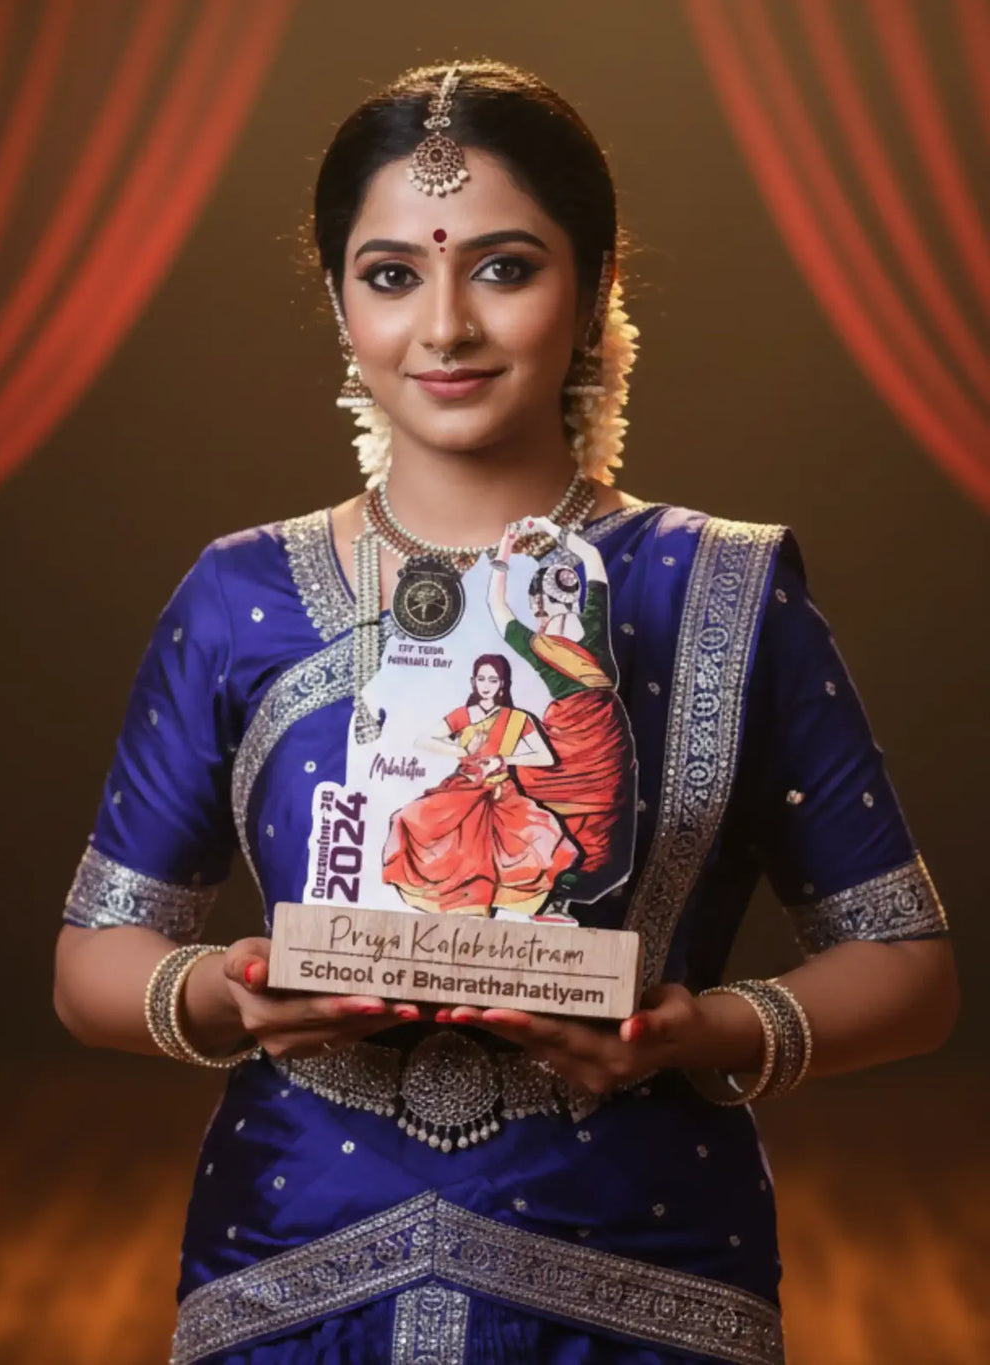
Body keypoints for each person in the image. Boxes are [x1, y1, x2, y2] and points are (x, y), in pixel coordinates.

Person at [52, 60, 958, 1365]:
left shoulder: (724, 590)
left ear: (594, 295)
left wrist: (699, 1032)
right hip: (294, 1280)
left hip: (642, 1286)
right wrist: (223, 991)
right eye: (391, 274)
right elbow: (96, 954)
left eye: (504, 267)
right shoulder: (241, 593)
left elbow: (911, 973)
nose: (444, 329)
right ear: (338, 301)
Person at [487, 518, 637, 909]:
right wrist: (550, 528)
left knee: (535, 790)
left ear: (540, 603)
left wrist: (507, 546)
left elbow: (495, 605)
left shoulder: (536, 643)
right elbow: (592, 556)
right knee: (604, 806)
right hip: (607, 732)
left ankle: (551, 880)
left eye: (536, 605)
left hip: (569, 734)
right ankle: (573, 881)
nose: (536, 612)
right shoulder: (593, 625)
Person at [381, 654, 578, 916]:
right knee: (406, 818)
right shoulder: (465, 715)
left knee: (537, 836)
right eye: (482, 679)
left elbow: (545, 756)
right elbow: (423, 740)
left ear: (503, 684)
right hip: (462, 788)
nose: (486, 685)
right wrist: (462, 748)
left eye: (493, 679)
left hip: (499, 791)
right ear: (473, 681)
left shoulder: (517, 719)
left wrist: (502, 759)